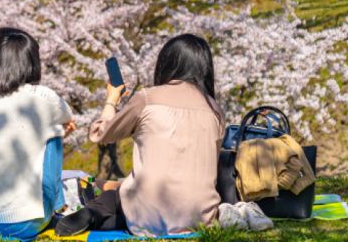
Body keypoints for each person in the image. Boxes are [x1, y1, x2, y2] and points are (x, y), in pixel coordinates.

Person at [55, 34, 223, 238]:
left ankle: (91, 213)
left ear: (166, 64)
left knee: (116, 196)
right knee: (123, 192)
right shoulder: (215, 110)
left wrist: (112, 99)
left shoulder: (148, 98)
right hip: (201, 216)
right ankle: (102, 215)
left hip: (149, 212)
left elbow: (100, 134)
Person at [0, 27, 75, 241]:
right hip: (24, 223)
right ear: (32, 62)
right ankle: (59, 206)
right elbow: (67, 115)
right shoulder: (43, 96)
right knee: (54, 131)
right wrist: (58, 129)